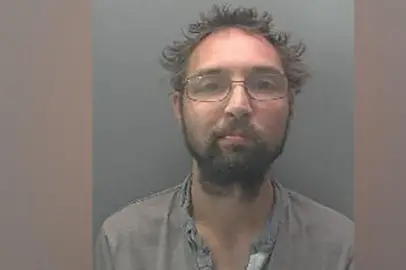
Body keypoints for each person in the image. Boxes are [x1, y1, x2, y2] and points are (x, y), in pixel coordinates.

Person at [94, 4, 354, 270]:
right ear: (179, 107)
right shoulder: (122, 244)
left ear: (290, 106)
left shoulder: (343, 250)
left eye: (263, 84)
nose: (238, 105)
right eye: (211, 85)